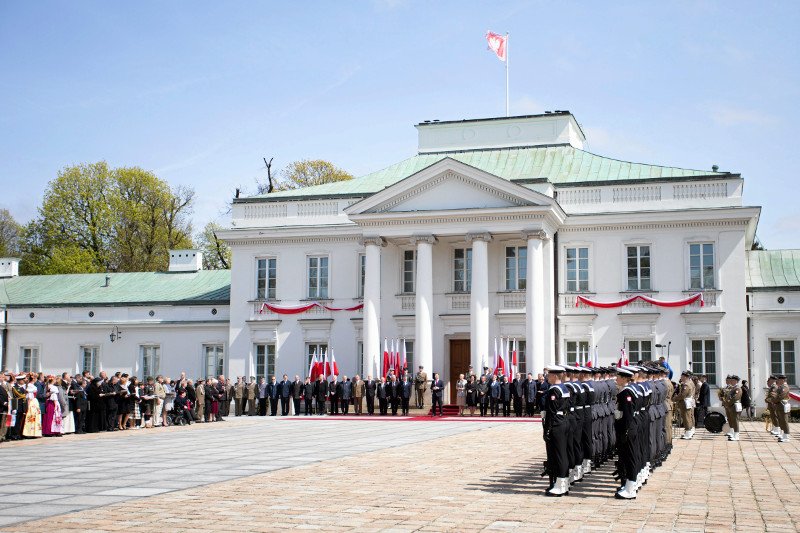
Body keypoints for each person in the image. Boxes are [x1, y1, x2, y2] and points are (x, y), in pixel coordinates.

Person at [543, 365, 570, 497]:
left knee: (557, 454)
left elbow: (551, 412)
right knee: (563, 453)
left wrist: (547, 430)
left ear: (554, 376)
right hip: (563, 421)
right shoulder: (564, 388)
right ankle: (563, 482)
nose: (547, 377)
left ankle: (560, 484)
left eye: (549, 375)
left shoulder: (554, 390)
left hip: (556, 424)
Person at [614, 367, 639, 499]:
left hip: (627, 429)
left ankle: (630, 489)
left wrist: (626, 431)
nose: (616, 379)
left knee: (630, 458)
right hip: (626, 428)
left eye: (618, 377)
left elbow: (628, 414)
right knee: (626, 457)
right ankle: (629, 486)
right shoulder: (624, 391)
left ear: (624, 379)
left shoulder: (627, 393)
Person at [718, 374, 743, 441]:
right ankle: (733, 433)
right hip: (730, 406)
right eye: (730, 380)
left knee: (735, 421)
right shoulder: (733, 388)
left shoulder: (738, 388)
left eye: (732, 380)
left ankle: (736, 435)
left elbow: (735, 398)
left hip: (734, 406)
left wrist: (727, 402)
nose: (730, 381)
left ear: (736, 381)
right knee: (731, 420)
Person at [771, 375, 791, 442]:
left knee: (784, 421)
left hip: (782, 405)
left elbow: (780, 396)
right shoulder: (781, 387)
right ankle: (783, 434)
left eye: (779, 380)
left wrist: (774, 400)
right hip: (779, 405)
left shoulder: (784, 387)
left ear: (783, 380)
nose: (777, 381)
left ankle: (786, 436)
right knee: (781, 421)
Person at [677, 371, 696, 439]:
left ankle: (688, 433)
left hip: (685, 403)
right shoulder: (688, 383)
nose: (681, 378)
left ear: (685, 377)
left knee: (686, 418)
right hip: (687, 402)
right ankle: (688, 431)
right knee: (688, 417)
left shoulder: (686, 385)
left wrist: (674, 398)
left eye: (682, 376)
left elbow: (682, 395)